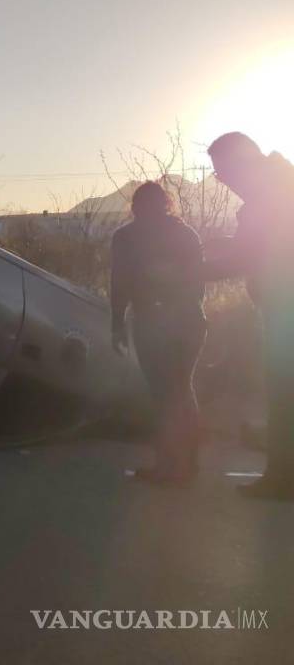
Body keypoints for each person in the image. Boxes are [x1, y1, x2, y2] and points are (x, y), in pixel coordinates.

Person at [202, 132, 294, 499]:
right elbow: (253, 247)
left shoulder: (270, 196)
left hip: (286, 311)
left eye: (223, 174)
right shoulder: (282, 182)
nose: (224, 183)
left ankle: (283, 479)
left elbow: (249, 256)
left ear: (243, 165)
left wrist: (190, 271)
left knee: (284, 394)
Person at [111, 181, 205, 484]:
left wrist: (117, 323)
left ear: (135, 206)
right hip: (189, 319)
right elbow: (198, 286)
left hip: (152, 319)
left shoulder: (126, 237)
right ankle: (187, 463)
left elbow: (120, 283)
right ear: (167, 203)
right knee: (181, 390)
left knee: (164, 395)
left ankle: (169, 465)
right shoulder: (186, 234)